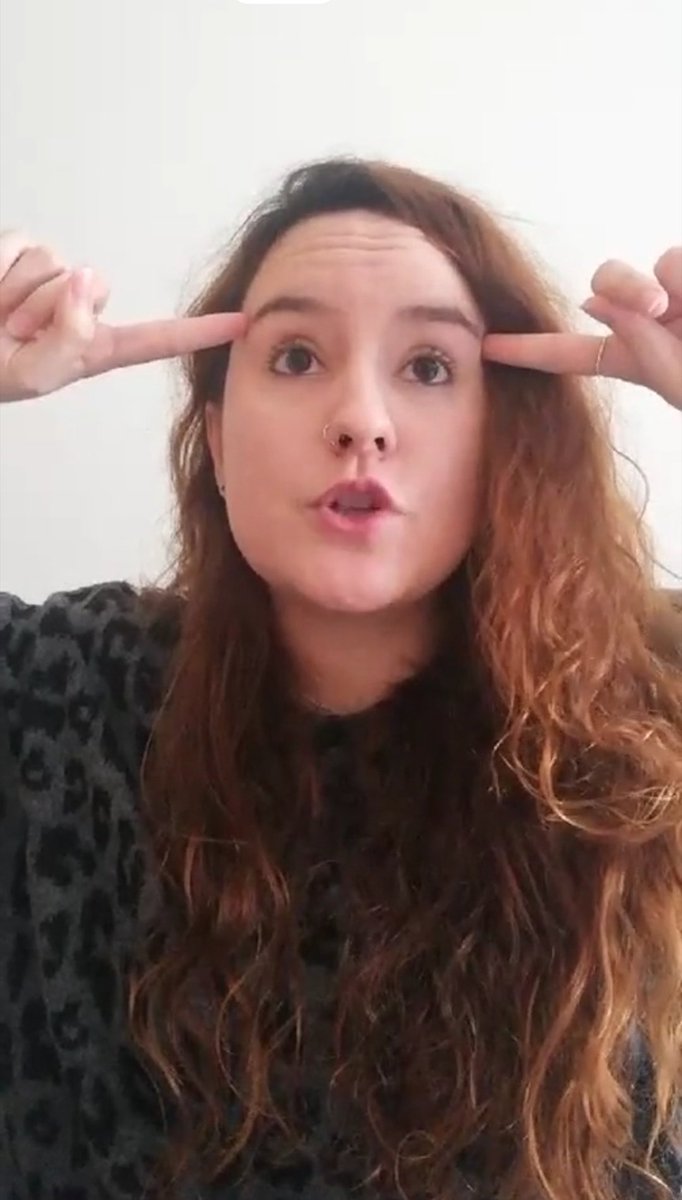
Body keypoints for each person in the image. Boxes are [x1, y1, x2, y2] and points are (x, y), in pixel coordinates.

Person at [0, 157, 680, 1200]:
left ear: (506, 431)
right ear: (216, 437)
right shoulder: (58, 694)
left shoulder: (653, 714)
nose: (361, 418)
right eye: (297, 356)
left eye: (430, 367)